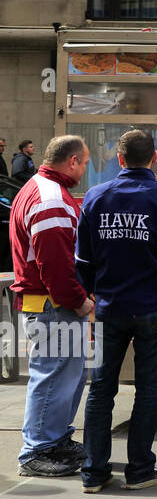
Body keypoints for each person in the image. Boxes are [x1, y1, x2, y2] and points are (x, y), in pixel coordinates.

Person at [76, 130, 157, 493]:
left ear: (119, 158)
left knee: (101, 389)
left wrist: (97, 291)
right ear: (155, 156)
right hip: (153, 306)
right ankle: (140, 468)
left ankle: (94, 472)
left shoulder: (96, 197)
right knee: (147, 388)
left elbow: (82, 261)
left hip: (110, 306)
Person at [11, 136, 93, 477]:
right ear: (72, 161)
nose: (86, 168)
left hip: (48, 303)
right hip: (53, 305)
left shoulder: (41, 188)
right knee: (55, 376)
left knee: (65, 375)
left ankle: (53, 440)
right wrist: (79, 301)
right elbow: (56, 265)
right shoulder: (50, 199)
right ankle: (36, 451)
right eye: (86, 162)